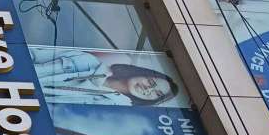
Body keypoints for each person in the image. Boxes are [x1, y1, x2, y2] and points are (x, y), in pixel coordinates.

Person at [31, 48, 179, 106]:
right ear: (141, 72)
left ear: (152, 101)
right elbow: (33, 54)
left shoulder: (112, 107)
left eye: (157, 94)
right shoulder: (86, 61)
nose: (148, 89)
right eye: (151, 82)